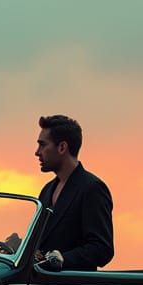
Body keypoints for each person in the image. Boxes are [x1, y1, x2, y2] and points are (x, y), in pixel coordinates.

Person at [33, 114, 114, 271]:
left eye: (43, 145)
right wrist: (21, 247)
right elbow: (43, 247)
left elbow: (102, 249)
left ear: (62, 147)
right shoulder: (47, 190)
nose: (37, 152)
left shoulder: (92, 188)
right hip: (42, 283)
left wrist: (63, 259)